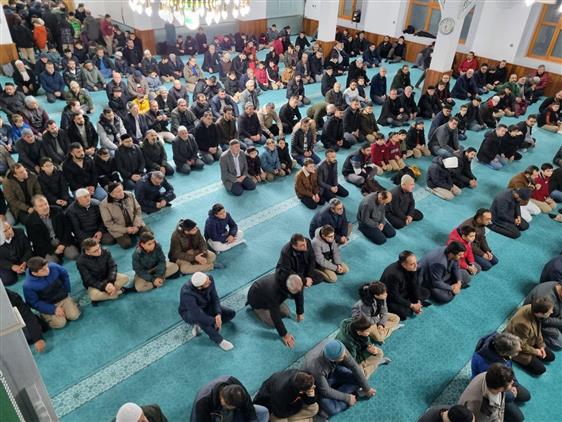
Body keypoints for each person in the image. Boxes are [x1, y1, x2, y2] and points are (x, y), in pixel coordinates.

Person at [300, 339, 375, 418]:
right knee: (333, 410)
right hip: (318, 384)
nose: (345, 356)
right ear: (332, 359)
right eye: (342, 357)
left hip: (333, 372)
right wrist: (347, 398)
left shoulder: (339, 347)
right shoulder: (315, 367)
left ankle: (342, 396)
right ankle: (354, 394)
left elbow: (354, 367)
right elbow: (325, 391)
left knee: (360, 379)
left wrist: (367, 388)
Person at [471, 331, 531, 422]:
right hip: (489, 389)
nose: (520, 349)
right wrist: (510, 394)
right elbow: (493, 390)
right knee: (518, 418)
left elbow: (509, 369)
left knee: (526, 396)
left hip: (503, 381)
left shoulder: (499, 342)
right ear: (505, 354)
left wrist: (514, 384)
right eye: (517, 351)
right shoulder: (489, 367)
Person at [178, 272, 236, 351]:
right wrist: (214, 321)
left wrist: (218, 314)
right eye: (207, 282)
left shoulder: (209, 278)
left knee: (231, 314)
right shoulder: (186, 293)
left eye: (208, 279)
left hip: (205, 306)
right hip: (189, 312)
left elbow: (215, 297)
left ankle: (201, 325)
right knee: (203, 321)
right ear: (200, 287)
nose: (210, 281)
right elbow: (198, 315)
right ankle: (219, 340)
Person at [23, 257, 81, 329]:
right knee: (61, 323)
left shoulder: (53, 266)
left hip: (63, 297)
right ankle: (44, 316)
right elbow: (33, 303)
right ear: (34, 273)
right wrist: (53, 309)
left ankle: (68, 307)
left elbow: (65, 275)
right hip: (48, 304)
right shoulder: (28, 285)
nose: (47, 270)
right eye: (43, 270)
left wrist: (66, 290)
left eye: (47, 266)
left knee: (74, 316)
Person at [504, 297, 556, 375]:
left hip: (528, 338)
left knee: (551, 357)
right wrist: (536, 352)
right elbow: (520, 345)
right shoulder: (523, 324)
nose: (552, 312)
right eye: (550, 311)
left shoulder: (533, 309)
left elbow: (537, 330)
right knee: (540, 370)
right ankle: (514, 358)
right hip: (515, 346)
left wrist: (541, 346)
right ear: (540, 313)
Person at [24, 195, 78, 263]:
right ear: (35, 208)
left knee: (73, 255)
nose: (45, 207)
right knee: (52, 263)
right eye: (41, 206)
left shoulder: (58, 210)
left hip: (61, 240)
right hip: (46, 246)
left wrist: (63, 244)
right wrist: (53, 250)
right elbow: (37, 241)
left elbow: (67, 228)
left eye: (46, 204)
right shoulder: (30, 221)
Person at [191, 375, 268, 422]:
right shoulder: (202, 403)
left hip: (231, 415)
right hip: (213, 418)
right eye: (232, 407)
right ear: (222, 400)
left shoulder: (234, 383)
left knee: (263, 412)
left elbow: (248, 406)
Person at [76, 237, 130, 304]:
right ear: (87, 252)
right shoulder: (80, 262)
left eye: (98, 248)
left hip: (108, 277)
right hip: (96, 283)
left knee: (125, 278)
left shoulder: (105, 251)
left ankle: (108, 294)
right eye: (95, 251)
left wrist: (110, 282)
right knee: (93, 296)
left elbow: (113, 266)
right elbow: (89, 279)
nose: (99, 251)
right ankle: (117, 293)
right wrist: (104, 286)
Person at [380, 251, 431, 320]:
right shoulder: (393, 275)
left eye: (416, 262)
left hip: (403, 289)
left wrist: (417, 300)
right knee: (404, 312)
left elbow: (414, 284)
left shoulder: (411, 266)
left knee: (426, 292)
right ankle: (411, 304)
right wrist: (412, 305)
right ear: (403, 265)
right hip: (390, 296)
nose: (416, 265)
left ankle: (414, 303)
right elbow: (395, 296)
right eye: (412, 264)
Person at [253, 369, 319, 422]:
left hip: (290, 405)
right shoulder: (280, 391)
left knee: (314, 408)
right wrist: (299, 403)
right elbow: (280, 413)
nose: (314, 387)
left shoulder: (305, 377)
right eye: (312, 388)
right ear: (301, 391)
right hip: (273, 407)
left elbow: (309, 401)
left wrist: (311, 396)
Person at [99, 182, 148, 249]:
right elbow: (109, 223)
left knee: (148, 235)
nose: (122, 193)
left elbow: (138, 209)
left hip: (134, 222)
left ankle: (134, 232)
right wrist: (126, 230)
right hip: (120, 228)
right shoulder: (104, 205)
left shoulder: (130, 194)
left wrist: (136, 225)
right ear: (112, 194)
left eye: (121, 190)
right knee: (126, 244)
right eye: (118, 191)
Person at [524, 281, 562, 350]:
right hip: (536, 320)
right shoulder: (546, 298)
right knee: (559, 344)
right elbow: (542, 320)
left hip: (547, 315)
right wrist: (559, 323)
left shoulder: (557, 286)